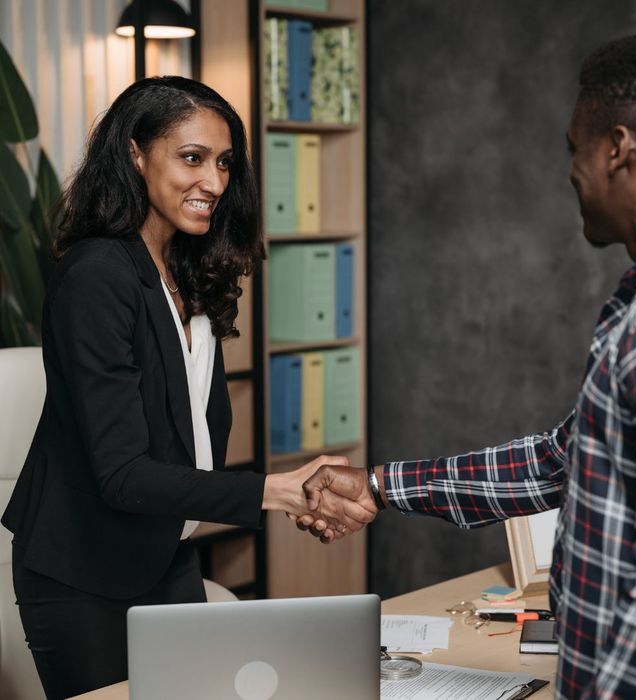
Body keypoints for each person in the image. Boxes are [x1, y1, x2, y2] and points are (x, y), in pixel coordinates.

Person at [300, 34, 636, 699]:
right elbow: (559, 461)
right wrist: (376, 485)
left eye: (574, 149)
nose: (571, 171)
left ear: (618, 148)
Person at [0, 76, 369, 700]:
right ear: (136, 154)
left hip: (162, 552)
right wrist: (278, 492)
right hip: (82, 572)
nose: (215, 183)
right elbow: (121, 474)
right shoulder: (96, 277)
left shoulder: (181, 268)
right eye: (191, 158)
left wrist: (285, 498)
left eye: (224, 163)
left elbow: (188, 434)